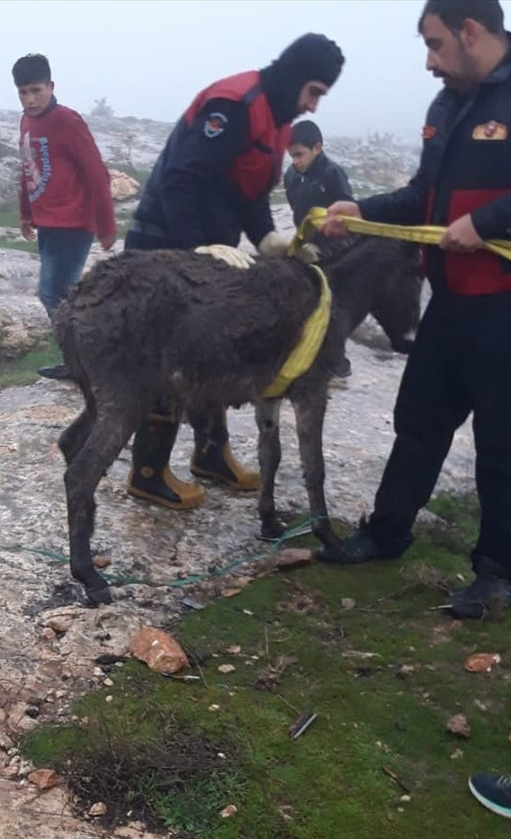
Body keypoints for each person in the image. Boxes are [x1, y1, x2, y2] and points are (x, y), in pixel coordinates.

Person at [319, 0, 511, 621]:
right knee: (417, 424)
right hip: (452, 306)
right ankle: (386, 534)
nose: (430, 62)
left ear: (470, 31)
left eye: (436, 45)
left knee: (505, 444)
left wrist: (486, 222)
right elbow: (423, 198)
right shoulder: (446, 107)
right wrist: (365, 210)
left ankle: (496, 575)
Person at [123, 33, 345, 509]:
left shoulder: (279, 120)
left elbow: (249, 191)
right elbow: (181, 179)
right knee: (170, 356)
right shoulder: (236, 103)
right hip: (162, 243)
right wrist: (194, 247)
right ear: (295, 75)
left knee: (214, 351)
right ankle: (147, 471)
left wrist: (266, 236)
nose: (313, 106)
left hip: (211, 252)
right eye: (314, 92)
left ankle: (210, 455)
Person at [12, 53, 116, 381]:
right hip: (48, 223)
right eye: (23, 92)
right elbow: (28, 167)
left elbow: (97, 173)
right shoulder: (26, 121)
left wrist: (106, 224)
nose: (30, 99)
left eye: (36, 90)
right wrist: (26, 212)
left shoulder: (67, 121)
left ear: (51, 86)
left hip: (74, 223)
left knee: (52, 293)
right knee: (64, 293)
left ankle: (84, 360)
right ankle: (80, 360)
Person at [284, 120, 354, 383]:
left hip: (335, 250)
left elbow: (348, 220)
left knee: (330, 307)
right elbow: (298, 214)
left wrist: (325, 247)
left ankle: (338, 364)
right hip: (306, 248)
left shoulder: (334, 175)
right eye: (292, 156)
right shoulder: (291, 176)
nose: (296, 161)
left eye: (300, 155)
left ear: (318, 148)